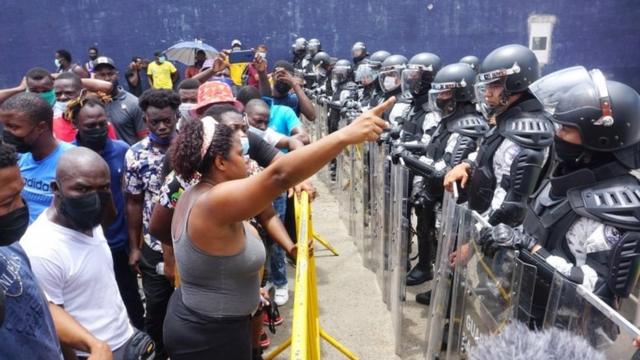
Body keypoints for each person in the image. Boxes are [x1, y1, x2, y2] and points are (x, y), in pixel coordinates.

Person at [162, 72, 395, 359]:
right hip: (209, 336)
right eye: (240, 153)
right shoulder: (213, 201)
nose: (247, 159)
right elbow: (280, 175)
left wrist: (248, 291)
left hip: (214, 321)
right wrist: (345, 135)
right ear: (220, 162)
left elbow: (219, 265)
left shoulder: (205, 193)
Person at [478, 67, 640, 320]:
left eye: (566, 128)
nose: (557, 134)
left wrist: (531, 249)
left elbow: (597, 292)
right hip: (528, 310)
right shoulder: (567, 176)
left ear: (601, 137)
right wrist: (507, 237)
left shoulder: (618, 205)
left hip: (567, 334)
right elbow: (536, 230)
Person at [21, 147, 155, 359]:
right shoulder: (42, 249)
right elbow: (53, 322)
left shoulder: (88, 221)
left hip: (123, 338)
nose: (94, 198)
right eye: (82, 189)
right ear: (56, 188)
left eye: (102, 188)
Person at [444, 44, 554, 228]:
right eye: (487, 85)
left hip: (496, 238)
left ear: (516, 82)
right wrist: (467, 165)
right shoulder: (508, 118)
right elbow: (490, 156)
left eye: (495, 85)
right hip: (481, 224)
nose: (487, 93)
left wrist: (472, 244)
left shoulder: (528, 132)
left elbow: (509, 207)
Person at [407, 63, 489, 304]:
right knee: (439, 245)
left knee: (453, 251)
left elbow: (444, 169)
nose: (439, 99)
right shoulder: (450, 121)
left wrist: (408, 160)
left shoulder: (468, 126)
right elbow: (433, 150)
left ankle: (452, 303)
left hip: (456, 203)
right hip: (438, 200)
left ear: (459, 94)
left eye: (444, 93)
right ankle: (441, 289)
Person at [67, 95, 145, 330]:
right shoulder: (68, 156)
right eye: (91, 126)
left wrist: (134, 246)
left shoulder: (122, 150)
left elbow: (133, 199)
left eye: (102, 123)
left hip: (119, 244)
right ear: (76, 125)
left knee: (131, 299)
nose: (98, 129)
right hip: (84, 245)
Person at [125, 89, 181, 360]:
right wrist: (135, 247)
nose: (161, 126)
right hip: (153, 245)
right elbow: (134, 202)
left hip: (189, 243)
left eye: (167, 121)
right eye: (154, 121)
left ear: (176, 117)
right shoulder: (135, 155)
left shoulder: (190, 149)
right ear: (145, 120)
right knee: (156, 307)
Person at [0, 142, 66, 359]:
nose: (20, 207)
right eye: (8, 202)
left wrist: (93, 343)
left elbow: (36, 303)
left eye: (20, 193)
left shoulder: (10, 246)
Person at [394, 52, 443, 287]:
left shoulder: (431, 109)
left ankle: (425, 266)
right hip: (408, 170)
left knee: (426, 222)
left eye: (416, 74)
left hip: (422, 174)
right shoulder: (415, 105)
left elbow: (427, 145)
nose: (411, 78)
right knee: (416, 219)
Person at [0, 93, 74, 223]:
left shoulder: (73, 161)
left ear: (41, 127)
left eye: (14, 127)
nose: (7, 132)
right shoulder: (14, 158)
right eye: (5, 126)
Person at [93, 56, 147, 145]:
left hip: (127, 157)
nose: (107, 78)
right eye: (102, 75)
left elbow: (144, 139)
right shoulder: (90, 103)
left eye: (110, 74)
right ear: (94, 77)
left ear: (117, 75)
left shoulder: (133, 103)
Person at [51, 72, 117, 141]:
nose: (63, 97)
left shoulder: (99, 123)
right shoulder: (52, 124)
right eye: (58, 94)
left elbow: (108, 86)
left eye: (69, 93)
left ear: (83, 93)